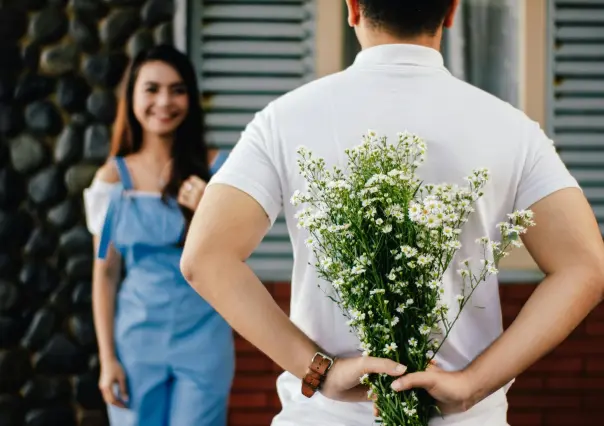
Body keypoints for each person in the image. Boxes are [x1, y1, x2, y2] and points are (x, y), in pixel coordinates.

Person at [180, 1, 604, 425]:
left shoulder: (284, 119)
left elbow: (205, 258)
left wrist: (319, 371)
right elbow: (586, 266)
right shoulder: (513, 129)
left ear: (352, 8)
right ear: (452, 11)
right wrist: (473, 383)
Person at [83, 45, 234, 426]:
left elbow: (238, 258)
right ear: (132, 95)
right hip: (135, 343)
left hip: (205, 339)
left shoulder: (220, 170)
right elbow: (105, 273)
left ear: (191, 98)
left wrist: (208, 214)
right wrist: (107, 359)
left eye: (178, 89)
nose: (164, 101)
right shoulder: (112, 179)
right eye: (151, 89)